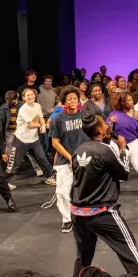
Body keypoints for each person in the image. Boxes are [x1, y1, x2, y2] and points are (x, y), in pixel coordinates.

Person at [70, 112, 138, 277]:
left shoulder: (78, 149)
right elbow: (124, 173)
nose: (107, 126)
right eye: (104, 124)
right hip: (102, 212)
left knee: (83, 257)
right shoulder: (106, 151)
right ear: (99, 129)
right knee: (130, 252)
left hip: (78, 212)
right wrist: (122, 150)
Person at [47, 86, 88, 233]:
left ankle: (84, 217)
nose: (72, 100)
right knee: (62, 192)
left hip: (84, 158)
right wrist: (70, 157)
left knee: (85, 190)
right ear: (64, 101)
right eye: (69, 98)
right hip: (65, 160)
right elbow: (55, 142)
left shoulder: (84, 115)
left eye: (74, 98)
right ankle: (67, 219)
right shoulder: (57, 119)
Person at [107, 91, 138, 197]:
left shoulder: (136, 114)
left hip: (134, 143)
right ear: (122, 103)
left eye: (131, 99)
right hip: (117, 144)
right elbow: (107, 132)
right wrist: (110, 123)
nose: (131, 102)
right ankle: (111, 189)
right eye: (128, 100)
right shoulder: (114, 114)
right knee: (114, 168)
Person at [7, 88, 55, 186]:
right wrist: (40, 126)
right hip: (21, 139)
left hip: (34, 139)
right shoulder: (23, 109)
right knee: (14, 163)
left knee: (43, 159)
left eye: (32, 94)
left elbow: (41, 117)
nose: (31, 97)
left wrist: (43, 126)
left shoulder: (37, 106)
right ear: (24, 98)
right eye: (28, 95)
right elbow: (31, 124)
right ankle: (5, 182)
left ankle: (49, 177)